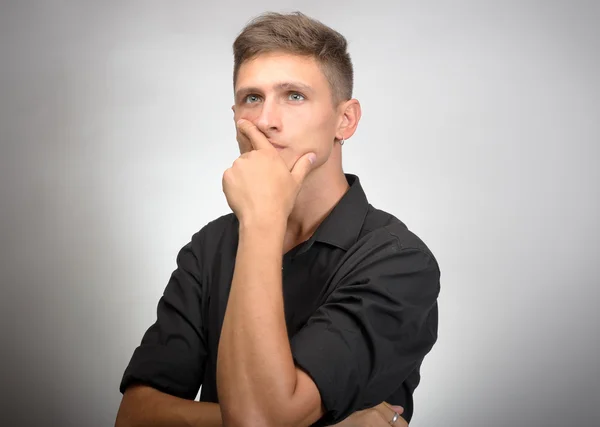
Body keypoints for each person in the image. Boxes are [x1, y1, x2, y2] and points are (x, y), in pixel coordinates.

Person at [115, 11, 440, 427]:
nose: (267, 120)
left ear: (346, 120)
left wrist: (262, 219)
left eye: (294, 96)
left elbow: (260, 421)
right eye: (252, 98)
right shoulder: (209, 247)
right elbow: (134, 417)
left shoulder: (399, 262)